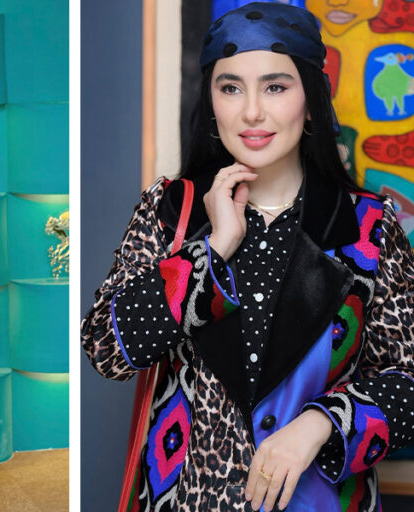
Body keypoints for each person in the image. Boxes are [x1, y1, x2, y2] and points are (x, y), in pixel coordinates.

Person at [81, 3, 414, 511]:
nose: (252, 112)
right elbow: (105, 348)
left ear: (311, 99)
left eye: (275, 87)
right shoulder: (170, 209)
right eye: (231, 88)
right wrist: (211, 250)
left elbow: (407, 379)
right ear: (211, 102)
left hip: (319, 500)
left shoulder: (369, 226)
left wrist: (320, 424)